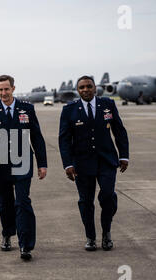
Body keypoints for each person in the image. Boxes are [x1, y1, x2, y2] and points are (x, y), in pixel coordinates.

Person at [0, 75, 47, 261]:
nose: (3, 93)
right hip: (0, 165)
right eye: (0, 90)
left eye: (6, 89)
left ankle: (25, 245)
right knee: (5, 203)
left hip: (23, 162)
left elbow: (37, 137)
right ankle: (7, 234)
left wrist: (42, 164)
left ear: (13, 88)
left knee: (22, 202)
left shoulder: (27, 109)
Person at [58, 75, 129, 251]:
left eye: (88, 86)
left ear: (95, 88)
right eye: (81, 87)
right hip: (82, 163)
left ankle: (107, 233)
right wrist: (67, 164)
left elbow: (119, 131)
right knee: (85, 201)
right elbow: (64, 139)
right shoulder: (69, 110)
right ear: (78, 90)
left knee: (107, 196)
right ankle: (91, 237)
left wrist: (124, 156)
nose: (85, 90)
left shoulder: (107, 105)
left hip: (107, 160)